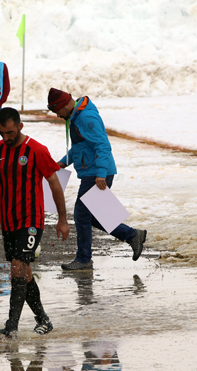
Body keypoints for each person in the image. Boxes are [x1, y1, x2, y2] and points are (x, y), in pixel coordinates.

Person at [0, 107, 69, 340]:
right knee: (25, 273)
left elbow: (54, 183)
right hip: (8, 222)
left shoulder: (37, 150)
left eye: (10, 132)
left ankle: (11, 326)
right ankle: (44, 320)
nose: (6, 138)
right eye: (2, 133)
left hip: (31, 221)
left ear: (20, 126)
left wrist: (62, 219)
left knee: (17, 269)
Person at [46, 88, 147, 271]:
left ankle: (84, 259)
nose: (59, 115)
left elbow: (102, 145)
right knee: (91, 216)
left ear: (65, 105)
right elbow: (80, 147)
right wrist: (61, 163)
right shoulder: (75, 117)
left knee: (81, 214)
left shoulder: (85, 118)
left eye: (58, 111)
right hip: (92, 171)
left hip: (97, 174)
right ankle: (132, 235)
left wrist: (101, 173)